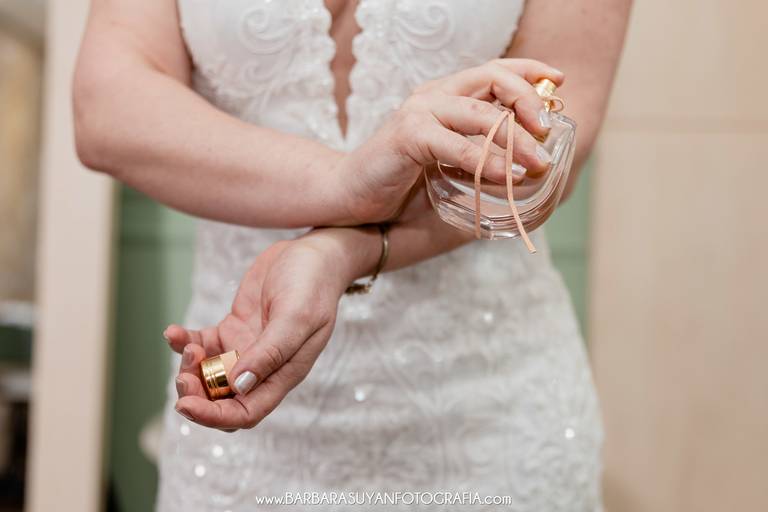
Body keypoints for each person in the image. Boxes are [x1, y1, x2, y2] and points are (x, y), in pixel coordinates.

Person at [74, 0, 631, 509]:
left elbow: (552, 147)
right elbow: (106, 107)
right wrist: (345, 181)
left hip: (492, 416)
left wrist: (343, 250)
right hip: (247, 403)